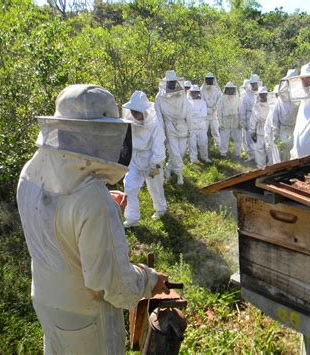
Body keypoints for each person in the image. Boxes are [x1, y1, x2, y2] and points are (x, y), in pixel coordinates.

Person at [16, 84, 169, 354]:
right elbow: (115, 285)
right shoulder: (93, 200)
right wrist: (149, 280)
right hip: (86, 316)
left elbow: (57, 223)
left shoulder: (31, 169)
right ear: (99, 132)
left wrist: (103, 210)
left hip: (44, 299)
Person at [122, 91, 167, 227]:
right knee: (129, 186)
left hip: (151, 159)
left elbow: (158, 146)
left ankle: (160, 209)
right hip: (135, 159)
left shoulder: (154, 124)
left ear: (145, 110)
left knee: (155, 187)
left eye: (137, 111)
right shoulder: (129, 120)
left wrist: (155, 165)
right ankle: (132, 218)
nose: (134, 114)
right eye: (133, 111)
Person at [155, 70, 188, 185]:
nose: (173, 84)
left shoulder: (182, 93)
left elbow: (188, 111)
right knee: (175, 153)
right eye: (170, 82)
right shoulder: (159, 97)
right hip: (169, 127)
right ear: (166, 82)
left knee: (181, 152)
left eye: (174, 81)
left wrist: (191, 127)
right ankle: (180, 175)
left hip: (183, 126)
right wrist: (161, 134)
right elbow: (159, 117)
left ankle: (169, 169)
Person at [271, 69, 300, 162]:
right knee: (282, 159)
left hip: (295, 133)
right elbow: (275, 118)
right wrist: (275, 134)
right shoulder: (280, 99)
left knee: (294, 158)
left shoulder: (300, 97)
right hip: (282, 132)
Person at [217, 81, 242, 158]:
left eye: (231, 89)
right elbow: (219, 112)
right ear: (226, 90)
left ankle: (238, 154)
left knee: (238, 138)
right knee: (224, 138)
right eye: (228, 89)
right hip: (225, 120)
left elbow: (240, 110)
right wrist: (220, 123)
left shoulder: (238, 99)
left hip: (235, 120)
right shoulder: (221, 99)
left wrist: (240, 122)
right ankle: (223, 153)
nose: (230, 91)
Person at [240, 74, 261, 161]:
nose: (253, 85)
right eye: (252, 83)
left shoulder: (261, 93)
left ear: (258, 83)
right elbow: (242, 110)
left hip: (260, 119)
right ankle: (252, 155)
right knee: (249, 137)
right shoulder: (246, 96)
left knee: (260, 136)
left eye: (254, 83)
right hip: (249, 119)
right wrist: (243, 121)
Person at [187, 85, 211, 163]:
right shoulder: (187, 102)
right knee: (192, 144)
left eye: (195, 92)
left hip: (201, 126)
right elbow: (187, 114)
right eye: (192, 92)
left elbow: (203, 114)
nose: (193, 94)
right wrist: (196, 113)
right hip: (191, 127)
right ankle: (193, 159)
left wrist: (193, 114)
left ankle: (204, 157)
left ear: (198, 93)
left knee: (203, 142)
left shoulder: (203, 102)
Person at [249, 86, 270, 168]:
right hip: (260, 130)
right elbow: (253, 120)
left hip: (269, 130)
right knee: (259, 149)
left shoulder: (271, 104)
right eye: (261, 94)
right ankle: (260, 167)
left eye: (264, 94)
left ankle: (272, 166)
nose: (262, 96)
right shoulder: (256, 106)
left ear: (267, 94)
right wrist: (252, 132)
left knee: (270, 149)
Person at [200, 72, 222, 149]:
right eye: (208, 79)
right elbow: (201, 100)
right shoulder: (202, 89)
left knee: (215, 130)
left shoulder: (217, 89)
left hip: (214, 113)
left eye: (211, 79)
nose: (209, 81)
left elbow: (220, 99)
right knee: (203, 130)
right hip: (205, 114)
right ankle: (203, 146)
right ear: (205, 80)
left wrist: (214, 108)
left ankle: (218, 146)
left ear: (213, 80)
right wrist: (206, 109)